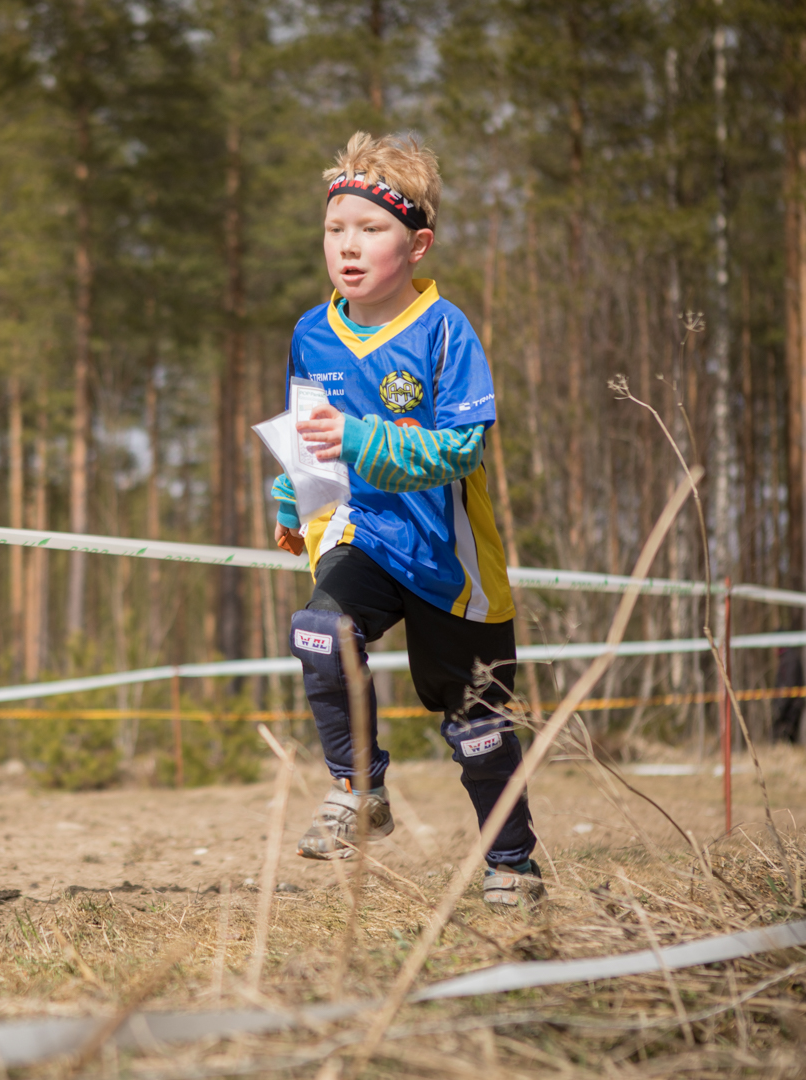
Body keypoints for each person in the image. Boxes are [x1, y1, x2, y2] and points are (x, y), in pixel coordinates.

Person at [270, 131, 541, 906]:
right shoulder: (311, 333)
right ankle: (359, 790)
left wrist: (358, 438)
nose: (348, 246)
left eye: (371, 229)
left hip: (449, 559)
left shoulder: (445, 329)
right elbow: (311, 439)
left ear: (417, 244)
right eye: (336, 228)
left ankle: (512, 864)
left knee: (477, 728)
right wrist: (293, 499)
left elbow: (459, 450)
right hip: (363, 532)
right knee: (318, 631)